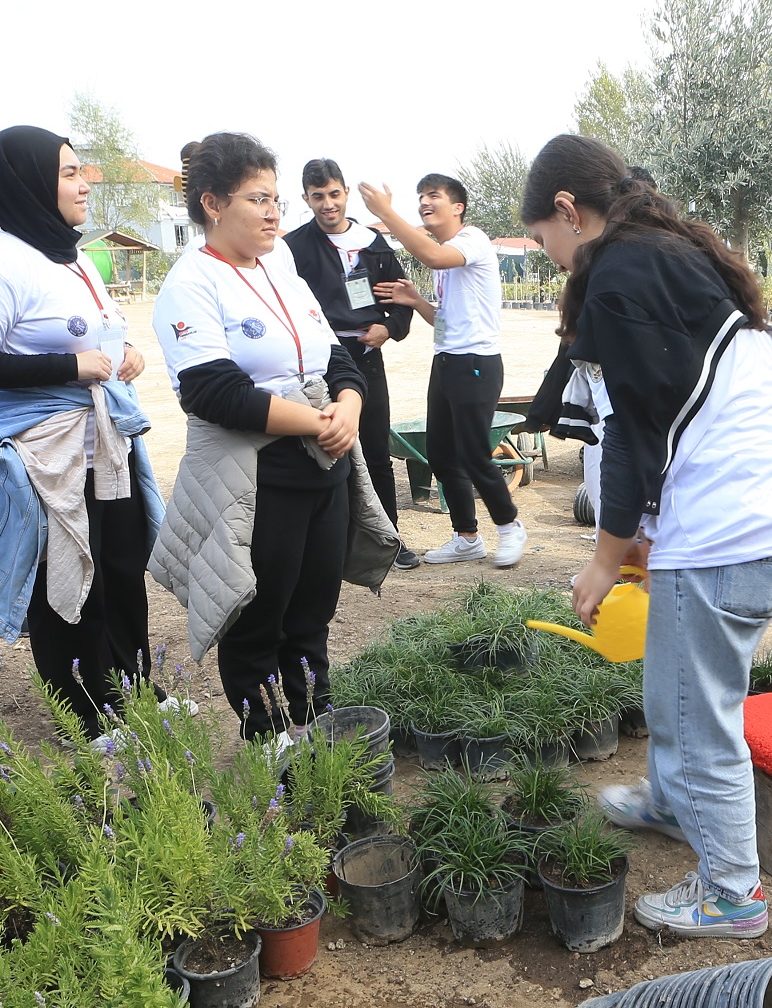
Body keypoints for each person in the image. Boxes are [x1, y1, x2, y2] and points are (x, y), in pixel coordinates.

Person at [523, 134, 772, 935]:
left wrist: (603, 557)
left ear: (567, 210)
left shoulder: (619, 271)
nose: (546, 255)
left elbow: (626, 437)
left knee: (700, 718)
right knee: (675, 684)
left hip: (734, 533)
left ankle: (733, 894)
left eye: (540, 237)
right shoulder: (669, 254)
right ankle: (667, 802)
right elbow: (674, 412)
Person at [154, 134, 376, 734]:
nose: (275, 211)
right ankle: (268, 739)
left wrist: (349, 406)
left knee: (312, 607)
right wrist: (319, 421)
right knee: (259, 612)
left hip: (322, 460)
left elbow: (335, 357)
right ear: (213, 204)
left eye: (277, 198)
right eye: (257, 199)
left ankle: (314, 719)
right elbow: (212, 391)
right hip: (259, 472)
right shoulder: (192, 282)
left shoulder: (282, 265)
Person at [0, 127, 159, 736]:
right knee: (66, 579)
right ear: (26, 184)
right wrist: (68, 367)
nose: (84, 183)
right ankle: (85, 713)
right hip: (44, 452)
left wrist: (125, 353)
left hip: (105, 443)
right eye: (68, 173)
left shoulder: (72, 256)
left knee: (120, 564)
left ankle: (135, 687)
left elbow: (97, 336)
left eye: (78, 170)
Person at [359, 172, 526, 567]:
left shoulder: (472, 241)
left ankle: (510, 526)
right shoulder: (446, 258)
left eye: (433, 195)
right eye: (420, 197)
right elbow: (446, 320)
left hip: (476, 364)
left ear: (458, 206)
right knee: (442, 454)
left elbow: (432, 255)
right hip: (447, 360)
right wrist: (417, 302)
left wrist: (386, 212)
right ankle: (466, 537)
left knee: (472, 454)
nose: (423, 203)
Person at [284, 157, 418, 567]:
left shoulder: (373, 243)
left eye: (334, 194)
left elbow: (402, 298)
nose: (328, 204)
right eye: (318, 196)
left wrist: (390, 329)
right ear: (306, 198)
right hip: (318, 365)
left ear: (344, 193)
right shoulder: (291, 248)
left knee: (376, 449)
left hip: (366, 358)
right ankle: (330, 545)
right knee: (321, 449)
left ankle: (389, 540)